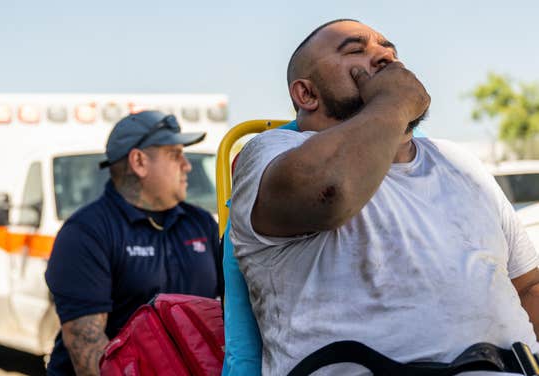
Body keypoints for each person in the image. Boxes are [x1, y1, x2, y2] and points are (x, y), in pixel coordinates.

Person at [229, 19, 539, 375]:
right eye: (356, 50)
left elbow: (528, 286)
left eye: (389, 51)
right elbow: (330, 192)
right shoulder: (271, 151)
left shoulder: (458, 160)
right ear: (307, 94)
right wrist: (393, 100)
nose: (385, 57)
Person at [45, 110, 222, 376]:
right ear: (139, 161)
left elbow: (232, 314)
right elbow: (88, 354)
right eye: (175, 154)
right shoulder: (85, 233)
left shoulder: (201, 223)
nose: (187, 165)